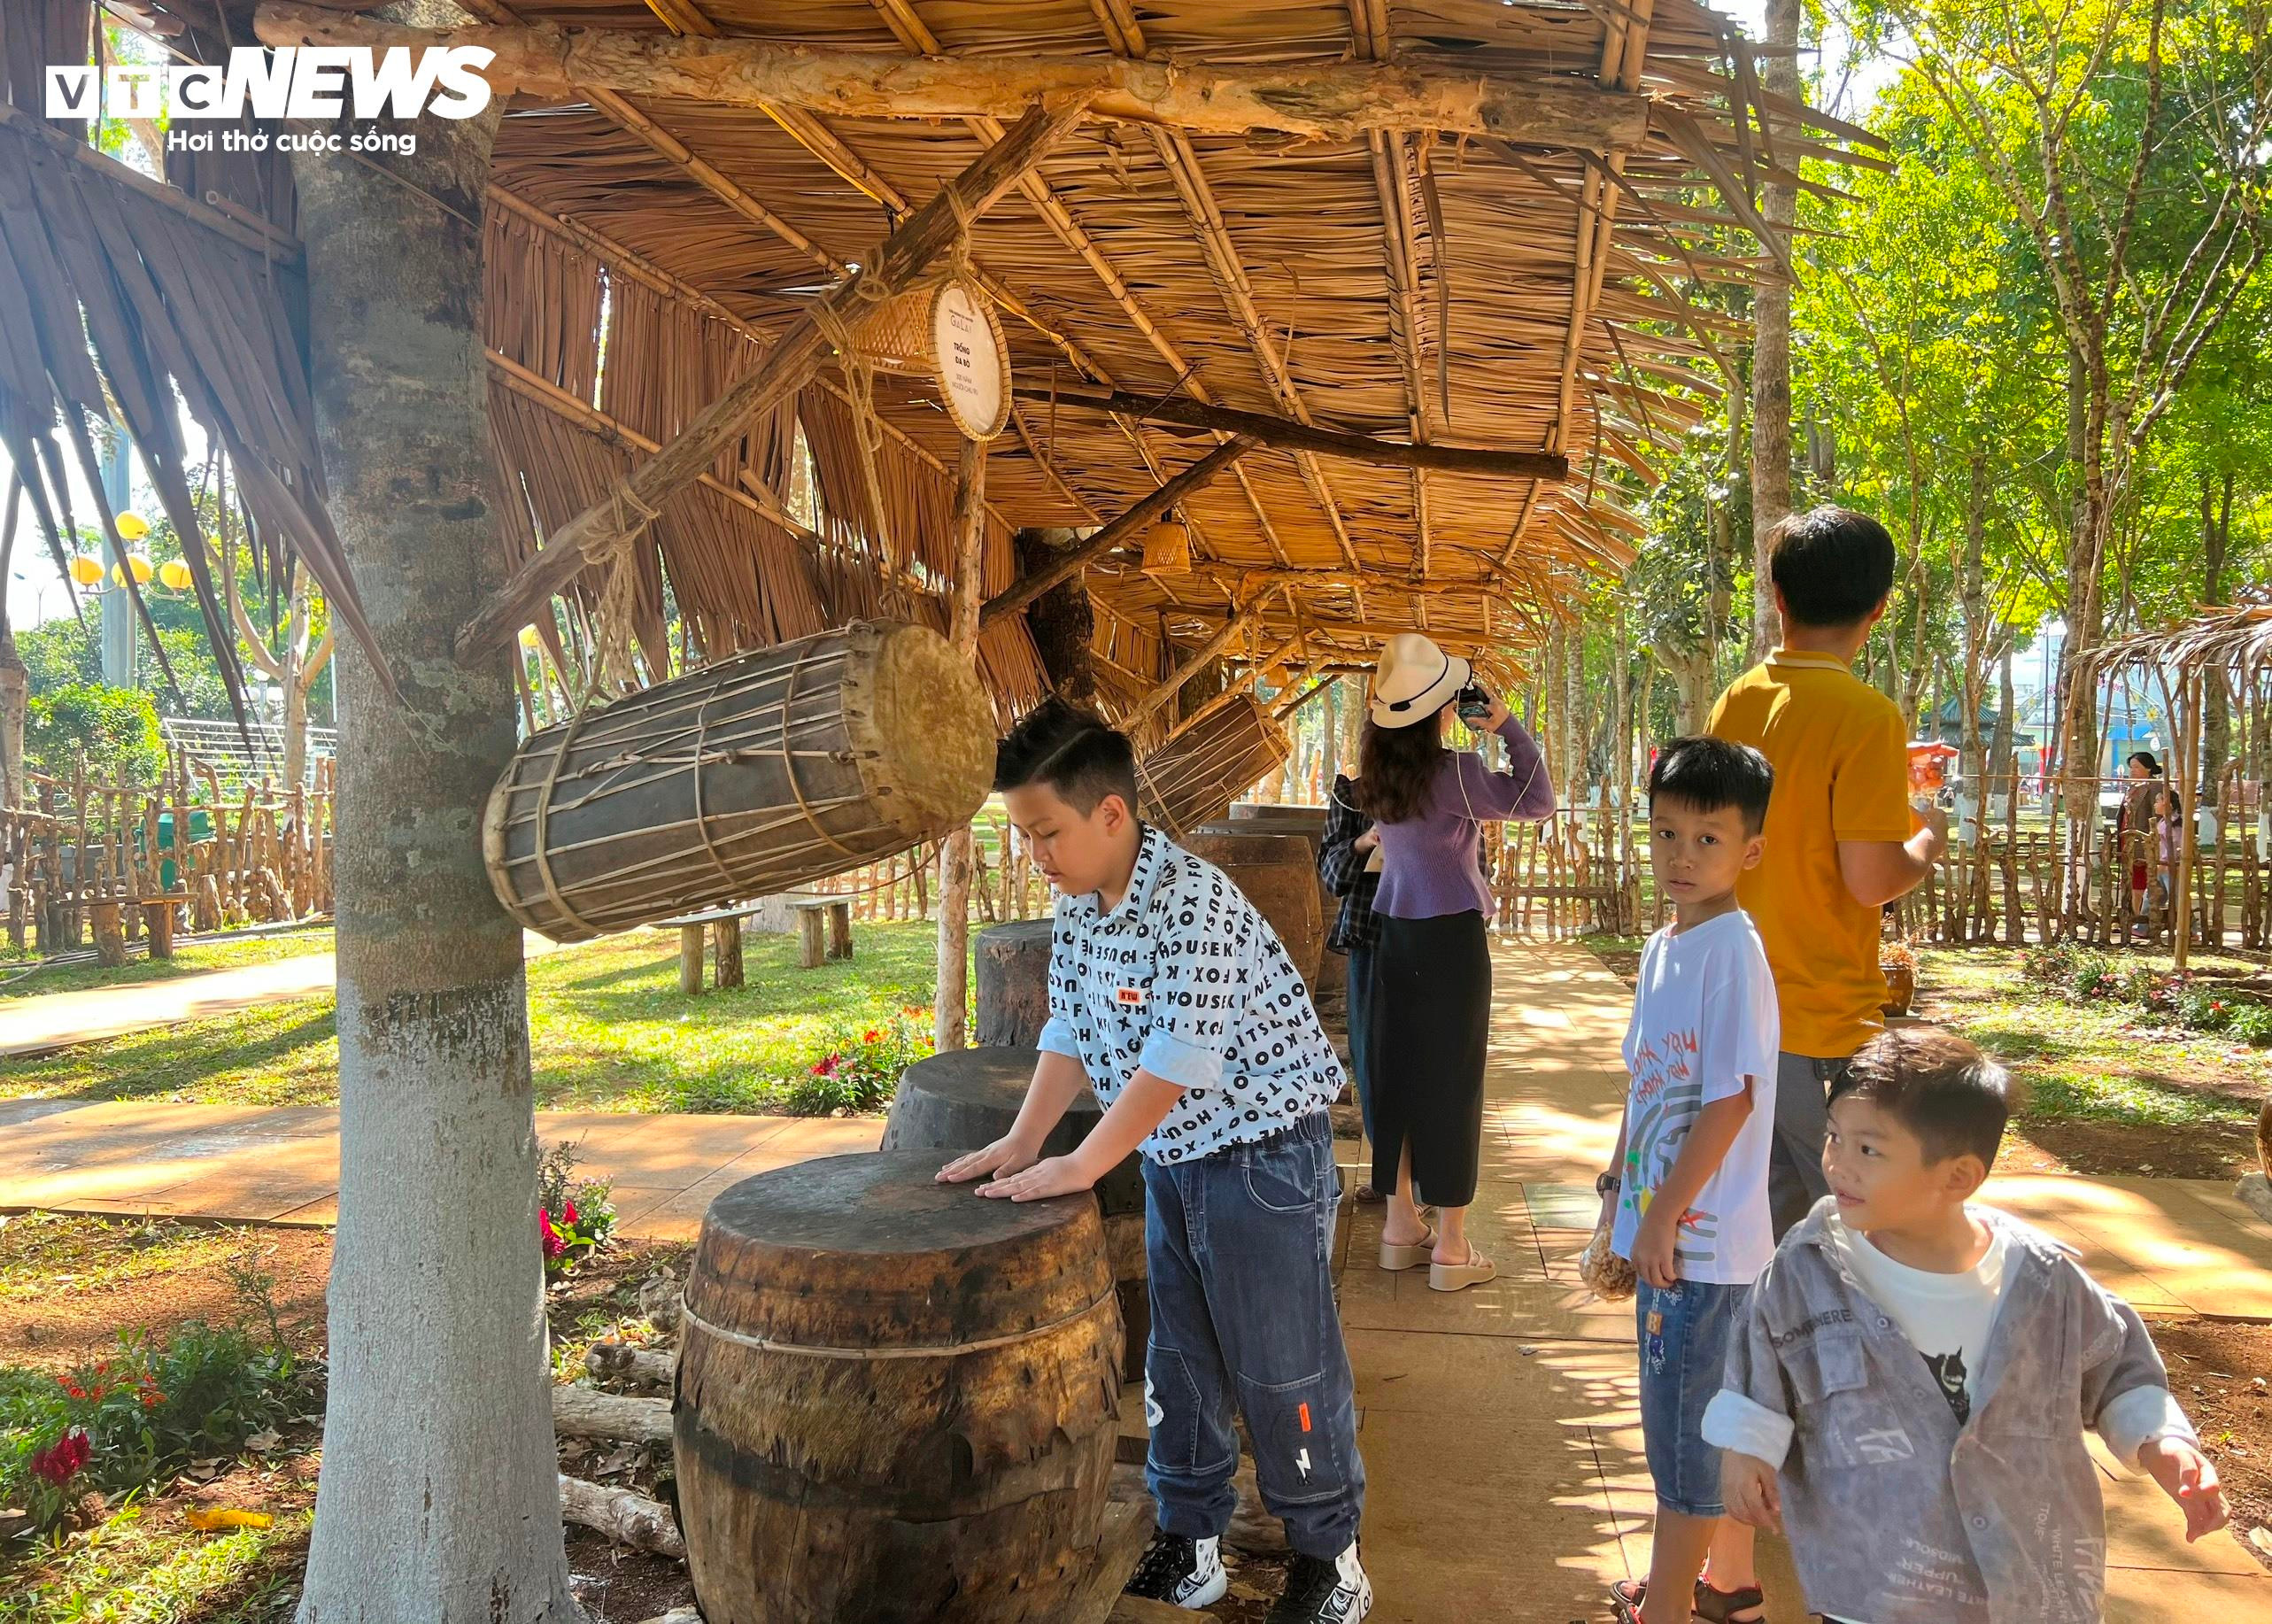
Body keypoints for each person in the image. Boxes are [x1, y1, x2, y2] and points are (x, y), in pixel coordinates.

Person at [939, 699, 1370, 1624]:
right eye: (1021, 836)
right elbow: (1068, 1026)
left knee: (1283, 1366)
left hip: (1261, 1159)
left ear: (1110, 814)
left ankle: (1330, 1555)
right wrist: (1023, 1139)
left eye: (1045, 831)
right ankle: (1192, 1539)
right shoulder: (1081, 906)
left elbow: (1177, 1058)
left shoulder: (1195, 902)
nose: (1036, 855)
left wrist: (1085, 1165)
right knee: (1179, 1360)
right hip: (1179, 1158)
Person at [1706, 1028, 2226, 1623]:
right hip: (1876, 1578)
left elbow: (2117, 1370)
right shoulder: (1805, 1272)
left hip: (2028, 1579)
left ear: (1957, 1176)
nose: (1838, 1165)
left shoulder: (2043, 1281)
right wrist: (1745, 1451)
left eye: (1868, 1150)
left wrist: (2166, 1446)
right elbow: (1757, 1370)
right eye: (1833, 1137)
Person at [1708, 507, 1948, 1238]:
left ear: (1778, 595)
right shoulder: (1867, 716)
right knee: (1848, 1237)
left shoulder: (1737, 699)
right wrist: (1928, 834)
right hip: (1819, 1025)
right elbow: (1871, 878)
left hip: (1732, 1012)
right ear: (1879, 606)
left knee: (1761, 1235)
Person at [1600, 737, 1781, 1624]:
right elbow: (1644, 1086)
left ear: (1750, 850)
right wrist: (1616, 1201)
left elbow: (1731, 1100)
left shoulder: (1731, 954)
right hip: (1665, 1237)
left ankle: (1665, 1607)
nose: (1681, 855)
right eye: (1666, 832)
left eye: (1707, 839)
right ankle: (1717, 1585)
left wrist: (1662, 1215)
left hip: (1702, 1251)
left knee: (1684, 1440)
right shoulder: (1665, 946)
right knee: (1690, 1423)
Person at [1357, 633, 1553, 1292]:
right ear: (1442, 709)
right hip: (1452, 944)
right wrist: (1505, 725)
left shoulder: (1375, 779)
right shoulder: (1459, 776)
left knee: (1400, 1079)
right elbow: (1537, 800)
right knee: (1454, 1085)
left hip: (1395, 938)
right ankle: (1451, 1247)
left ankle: (1398, 1227)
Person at [1318, 771, 1387, 1201]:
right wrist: (1364, 843)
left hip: (1432, 943)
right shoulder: (1352, 796)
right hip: (1370, 939)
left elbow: (1477, 869)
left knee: (1425, 1065)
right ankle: (1390, 1177)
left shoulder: (1451, 786)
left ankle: (1425, 1181)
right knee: (1372, 1062)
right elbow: (1330, 874)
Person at [2120, 751, 2164, 930]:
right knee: (2129, 880)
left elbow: (2158, 816)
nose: (2133, 771)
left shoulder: (2155, 787)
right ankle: (2130, 915)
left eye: (2137, 767)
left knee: (2140, 881)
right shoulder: (2132, 787)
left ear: (2148, 768)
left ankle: (2139, 919)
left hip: (2143, 840)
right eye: (2131, 767)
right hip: (2127, 838)